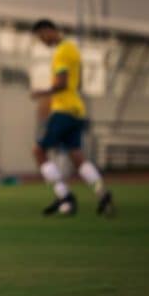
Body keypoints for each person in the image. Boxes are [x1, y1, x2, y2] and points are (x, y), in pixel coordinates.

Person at [30, 19, 114, 216]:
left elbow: (62, 83)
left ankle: (64, 196)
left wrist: (41, 92)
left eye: (41, 36)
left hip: (64, 110)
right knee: (76, 155)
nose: (42, 41)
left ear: (49, 30)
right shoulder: (73, 49)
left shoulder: (61, 52)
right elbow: (77, 83)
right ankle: (102, 193)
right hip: (77, 109)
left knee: (38, 151)